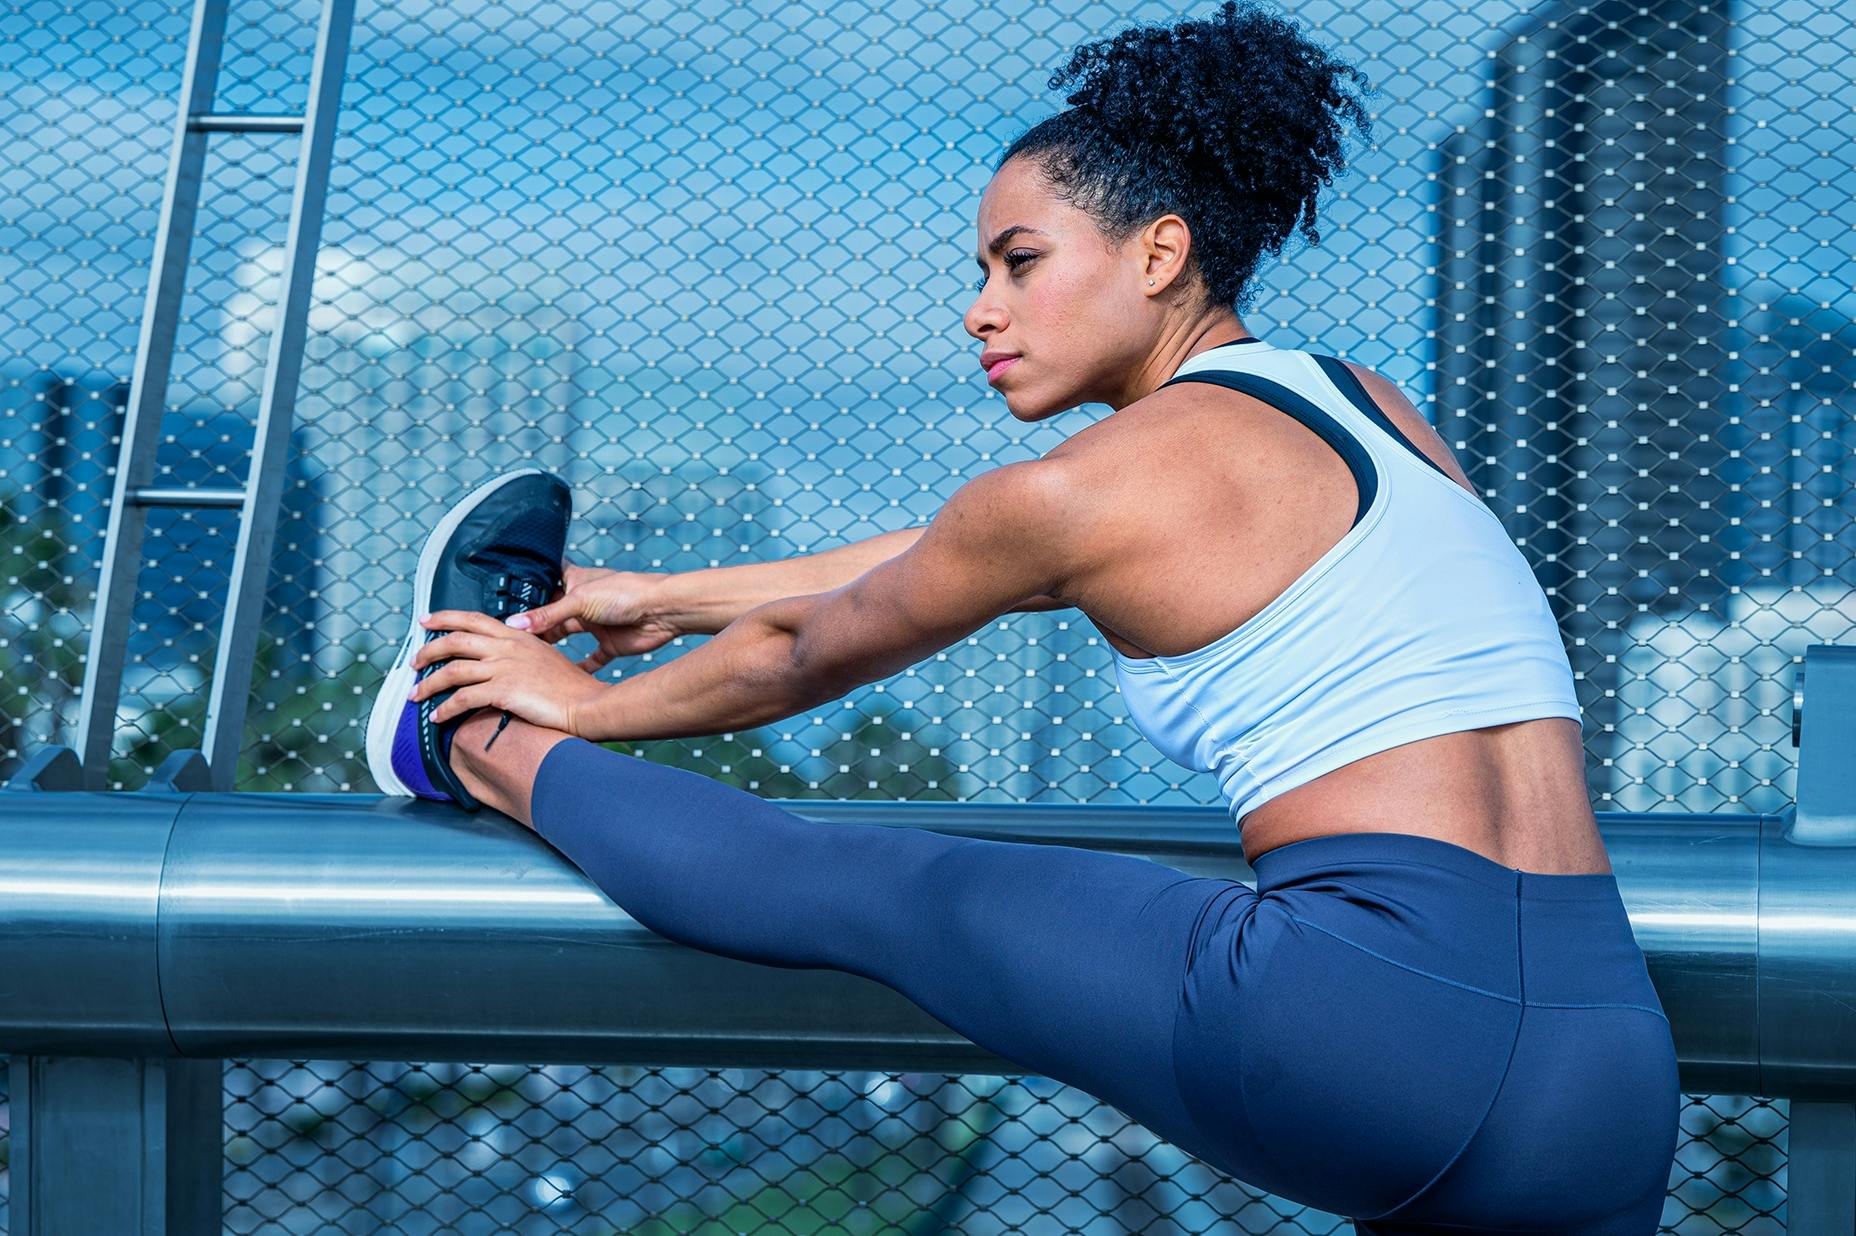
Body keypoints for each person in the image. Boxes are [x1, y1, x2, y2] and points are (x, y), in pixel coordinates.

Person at [368, 3, 1681, 1229]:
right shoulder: (1364, 403)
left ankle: (459, 736)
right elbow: (959, 554)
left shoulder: (1079, 493)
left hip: (1357, 1021)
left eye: (1019, 260)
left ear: (1161, 250)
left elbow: (812, 645)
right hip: (1608, 1064)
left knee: (871, 887)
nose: (979, 308)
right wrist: (665, 596)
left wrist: (587, 701)